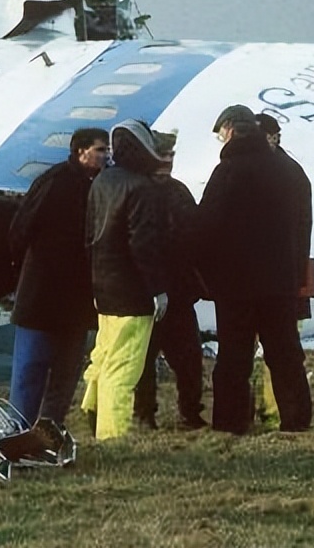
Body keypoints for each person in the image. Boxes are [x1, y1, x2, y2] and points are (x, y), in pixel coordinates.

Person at [196, 104, 312, 434]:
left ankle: (231, 425)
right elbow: (303, 226)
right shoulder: (290, 171)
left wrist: (201, 270)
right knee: (285, 353)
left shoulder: (229, 171)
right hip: (280, 282)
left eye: (221, 133)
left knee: (234, 358)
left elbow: (207, 225)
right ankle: (296, 420)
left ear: (231, 129)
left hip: (236, 285)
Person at [7, 127, 109, 428]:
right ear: (81, 152)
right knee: (30, 368)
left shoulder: (100, 185)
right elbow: (20, 229)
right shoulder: (53, 182)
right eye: (101, 150)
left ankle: (50, 431)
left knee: (65, 372)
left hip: (75, 298)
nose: (106, 155)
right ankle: (19, 432)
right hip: (43, 293)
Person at [79, 120, 171, 440]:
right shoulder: (142, 188)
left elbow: (90, 235)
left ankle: (92, 410)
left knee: (103, 356)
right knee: (124, 365)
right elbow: (143, 245)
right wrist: (158, 290)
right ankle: (112, 437)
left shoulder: (102, 181)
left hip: (104, 288)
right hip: (133, 294)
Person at [132, 130, 209, 430]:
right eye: (162, 156)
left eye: (171, 156)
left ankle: (189, 412)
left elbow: (195, 234)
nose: (167, 161)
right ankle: (144, 413)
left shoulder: (178, 191)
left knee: (189, 358)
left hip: (178, 292)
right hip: (145, 292)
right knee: (143, 360)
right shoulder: (137, 190)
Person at [254, 113, 314, 430]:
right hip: (285, 276)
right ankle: (272, 409)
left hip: (281, 278)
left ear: (274, 137)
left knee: (280, 350)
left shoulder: (285, 174)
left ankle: (277, 411)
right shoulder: (290, 172)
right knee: (280, 349)